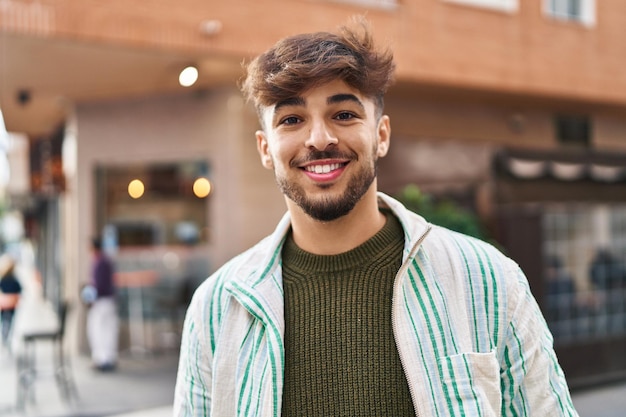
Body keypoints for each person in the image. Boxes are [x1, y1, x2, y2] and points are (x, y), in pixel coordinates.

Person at [174, 17, 578, 416]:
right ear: (265, 149)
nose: (319, 139)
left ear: (381, 135)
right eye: (292, 120)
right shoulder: (217, 308)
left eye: (344, 114)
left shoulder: (488, 280)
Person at [87, 236, 118, 371]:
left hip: (101, 301)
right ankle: (108, 357)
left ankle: (102, 359)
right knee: (108, 330)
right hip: (108, 300)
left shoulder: (99, 262)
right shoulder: (106, 261)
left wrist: (92, 298)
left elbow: (98, 285)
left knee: (98, 330)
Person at [0, 255, 22, 348]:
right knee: (9, 321)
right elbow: (20, 289)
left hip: (4, 305)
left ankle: (5, 335)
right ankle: (7, 336)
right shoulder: (13, 279)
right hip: (11, 305)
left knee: (4, 320)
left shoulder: (3, 279)